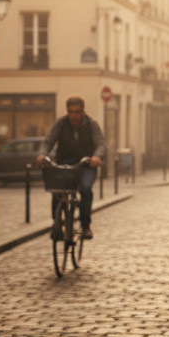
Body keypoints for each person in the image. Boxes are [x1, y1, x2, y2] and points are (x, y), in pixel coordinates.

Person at [37, 96, 106, 240]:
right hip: (64, 163)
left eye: (77, 112)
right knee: (57, 190)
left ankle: (85, 226)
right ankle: (56, 223)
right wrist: (42, 154)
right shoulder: (61, 123)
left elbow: (100, 143)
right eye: (70, 112)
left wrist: (96, 157)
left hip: (86, 164)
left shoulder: (91, 124)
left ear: (83, 111)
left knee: (85, 189)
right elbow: (48, 141)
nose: (74, 116)